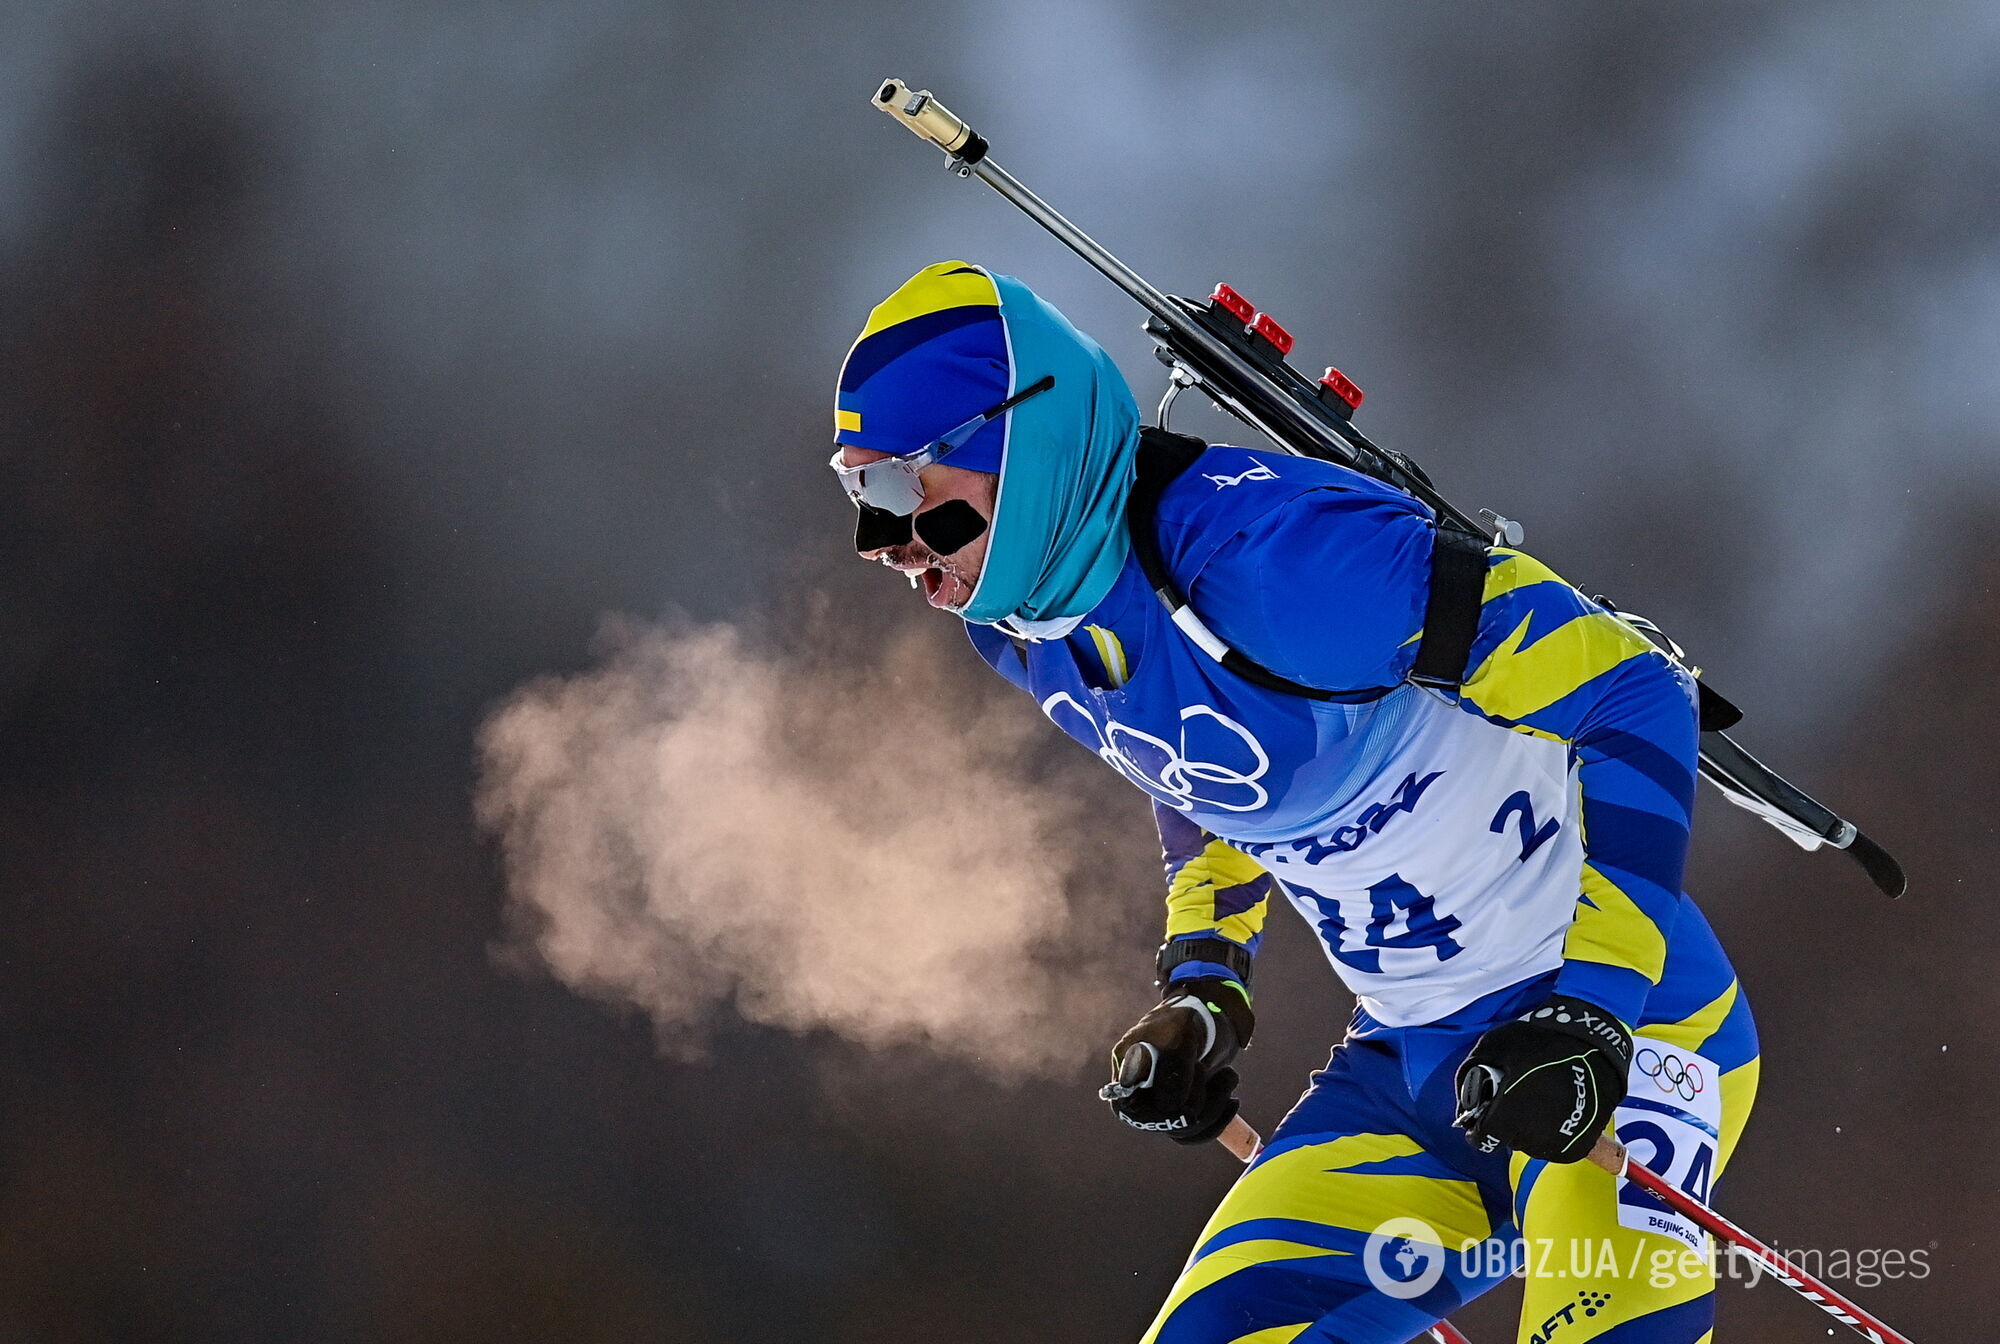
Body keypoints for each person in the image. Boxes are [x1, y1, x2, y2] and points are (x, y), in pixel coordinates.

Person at [830, 260, 1758, 1344]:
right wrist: (1204, 985)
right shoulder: (1024, 627)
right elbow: (1198, 771)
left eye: (902, 493)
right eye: (857, 498)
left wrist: (1592, 1010)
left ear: (1020, 448)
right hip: (1419, 1075)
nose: (882, 546)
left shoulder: (1280, 563)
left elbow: (1631, 686)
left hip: (1633, 1034)